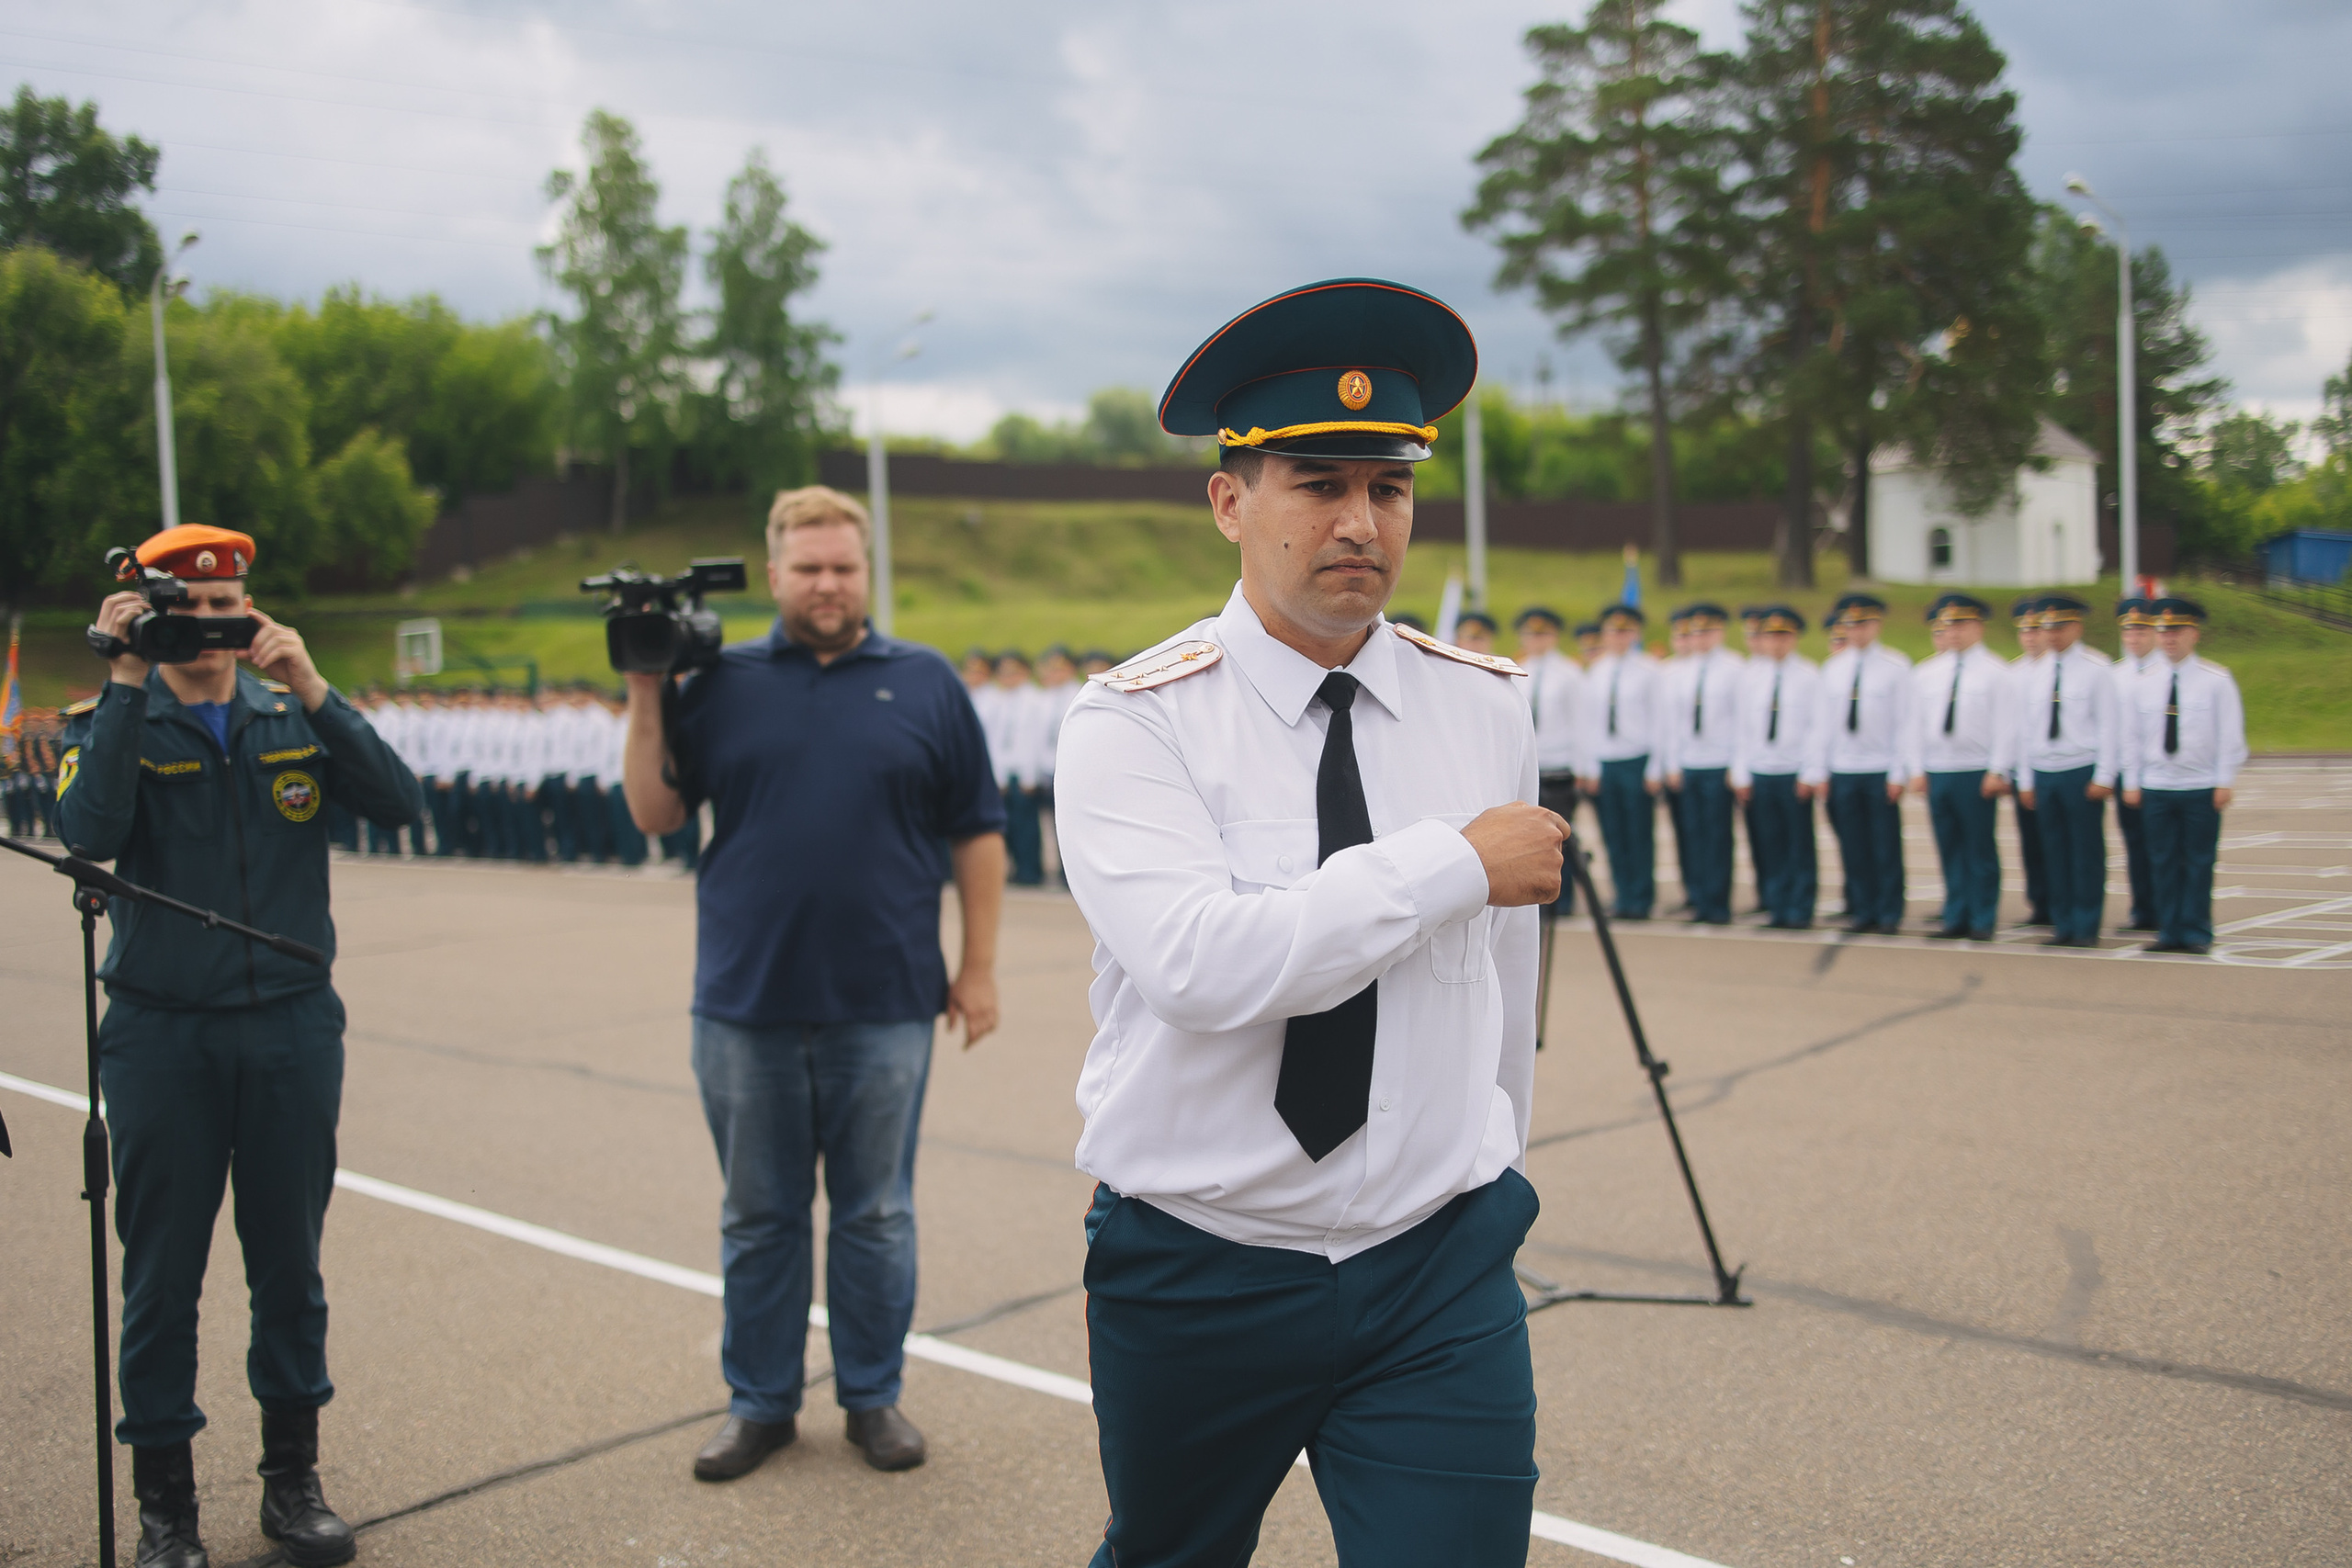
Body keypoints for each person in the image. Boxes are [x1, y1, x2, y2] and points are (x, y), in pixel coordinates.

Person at [1057, 276, 1556, 1568]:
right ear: (1229, 499)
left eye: (1387, 488)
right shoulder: (1135, 721)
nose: (1360, 521)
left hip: (1436, 1260)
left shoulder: (1486, 706)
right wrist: (1449, 860)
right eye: (1317, 483)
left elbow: (1506, 986)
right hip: (1204, 1265)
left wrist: (1491, 1158)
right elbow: (1204, 966)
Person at [620, 485, 1006, 1482]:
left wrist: (978, 968)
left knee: (876, 1213)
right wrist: (646, 689)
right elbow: (657, 813)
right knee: (758, 1215)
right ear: (776, 571)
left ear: (865, 571)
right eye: (807, 567)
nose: (826, 584)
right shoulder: (718, 680)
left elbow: (977, 831)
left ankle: (873, 1397)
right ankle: (760, 1404)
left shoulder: (924, 681)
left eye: (842, 566)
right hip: (744, 1001)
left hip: (884, 1001)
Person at [56, 525, 422, 1568]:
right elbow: (89, 830)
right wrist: (127, 680)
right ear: (146, 615)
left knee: (289, 1270)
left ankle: (292, 1481)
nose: (211, 628)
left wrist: (311, 685)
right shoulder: (111, 714)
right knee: (163, 1276)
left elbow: (398, 804)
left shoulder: (287, 714)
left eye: (229, 607)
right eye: (189, 610)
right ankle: (166, 1507)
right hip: (162, 1035)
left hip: (292, 1030)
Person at [2121, 597, 2245, 955]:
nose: (2168, 639)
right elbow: (2131, 737)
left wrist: (2225, 780)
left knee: (2198, 861)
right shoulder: (2143, 682)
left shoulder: (2216, 680)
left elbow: (2230, 735)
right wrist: (2132, 781)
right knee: (2160, 861)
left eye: (2176, 632)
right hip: (2157, 785)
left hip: (2200, 785)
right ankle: (2169, 930)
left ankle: (2195, 931)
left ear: (2194, 634)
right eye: (2162, 632)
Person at [2014, 592, 2120, 947]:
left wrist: (2105, 775)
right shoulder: (2034, 671)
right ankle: (2063, 923)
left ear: (2077, 626)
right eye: (2047, 628)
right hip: (2045, 771)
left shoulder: (2097, 667)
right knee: (2054, 851)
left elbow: (2109, 725)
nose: (2052, 635)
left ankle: (2086, 924)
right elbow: (2026, 730)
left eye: (2060, 627)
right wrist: (2026, 780)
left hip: (2080, 769)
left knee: (2085, 851)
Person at [1904, 594, 2011, 942]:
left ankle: (1982, 917)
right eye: (1948, 625)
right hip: (1939, 769)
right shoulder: (1927, 672)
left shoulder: (1996, 672)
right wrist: (1917, 768)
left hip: (1975, 769)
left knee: (1979, 848)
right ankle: (1956, 914)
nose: (1954, 633)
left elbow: (2006, 726)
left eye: (1961, 625)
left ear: (1978, 627)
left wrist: (1998, 769)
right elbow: (1914, 725)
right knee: (1949, 846)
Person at [1810, 593, 1911, 934]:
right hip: (1842, 769)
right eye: (1850, 625)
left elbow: (1904, 723)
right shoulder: (1832, 668)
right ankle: (1863, 909)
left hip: (1879, 768)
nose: (1856, 631)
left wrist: (1899, 772)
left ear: (1876, 625)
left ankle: (1888, 912)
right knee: (1852, 846)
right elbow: (1821, 725)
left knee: (1884, 846)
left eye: (1863, 624)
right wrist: (1819, 770)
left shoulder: (1896, 666)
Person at [1729, 605, 1819, 929]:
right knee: (1768, 843)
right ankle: (1777, 905)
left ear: (1794, 638)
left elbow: (1816, 728)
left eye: (1783, 636)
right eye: (1770, 636)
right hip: (1760, 770)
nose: (1776, 643)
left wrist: (1811, 772)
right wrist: (1741, 772)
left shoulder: (1809, 676)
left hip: (1793, 770)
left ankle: (1800, 906)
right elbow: (1742, 728)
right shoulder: (1750, 677)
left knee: (1798, 844)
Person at [1576, 603, 1663, 919]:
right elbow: (1588, 726)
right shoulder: (1596, 671)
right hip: (1606, 762)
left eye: (1625, 631)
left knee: (1639, 832)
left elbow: (1658, 722)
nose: (1618, 637)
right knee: (1612, 833)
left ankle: (1641, 897)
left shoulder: (1650, 671)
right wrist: (1590, 767)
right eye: (1613, 631)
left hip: (1636, 760)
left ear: (1636, 634)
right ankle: (1623, 895)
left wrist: (1655, 768)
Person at [1659, 604, 1742, 924]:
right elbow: (1671, 723)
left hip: (1719, 762)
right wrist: (1673, 764)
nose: (1701, 639)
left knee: (1717, 836)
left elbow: (1740, 722)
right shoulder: (1678, 671)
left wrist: (1738, 765)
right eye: (1695, 632)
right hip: (1688, 763)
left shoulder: (1735, 669)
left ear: (1719, 632)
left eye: (1707, 632)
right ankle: (1696, 896)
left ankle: (1717, 903)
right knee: (1690, 835)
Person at [1515, 606, 1581, 914]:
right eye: (1530, 634)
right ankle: (1537, 898)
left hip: (1560, 763)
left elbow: (1582, 723)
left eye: (1542, 634)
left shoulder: (1569, 673)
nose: (1535, 640)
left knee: (1560, 836)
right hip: (1531, 765)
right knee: (1529, 836)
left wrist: (1582, 766)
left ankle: (1562, 900)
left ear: (1553, 637)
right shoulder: (1517, 669)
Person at [2111, 598, 2161, 931]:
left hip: (2159, 772)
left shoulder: (2166, 672)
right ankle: (2142, 909)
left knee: (2162, 846)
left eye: (2141, 631)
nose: (2134, 638)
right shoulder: (2114, 674)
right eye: (2129, 631)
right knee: (2134, 844)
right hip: (2124, 772)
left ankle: (2166, 909)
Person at [2007, 597, 2052, 927]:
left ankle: (2065, 902)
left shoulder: (2057, 669)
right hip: (2023, 770)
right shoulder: (2012, 673)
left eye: (2036, 630)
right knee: (2031, 842)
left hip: (2054, 766)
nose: (2030, 637)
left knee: (2059, 842)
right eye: (2024, 631)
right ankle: (2040, 902)